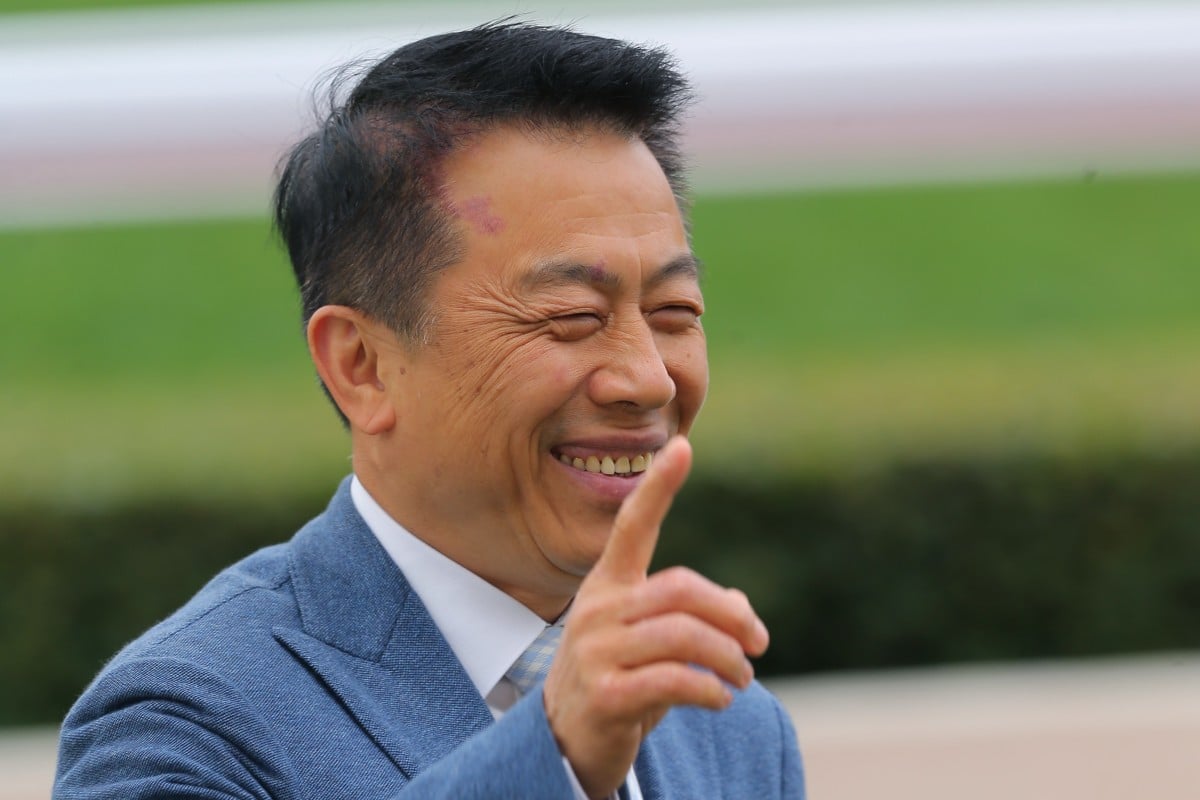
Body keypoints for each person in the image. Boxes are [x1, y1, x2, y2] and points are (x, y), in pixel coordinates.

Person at [54, 21, 805, 799]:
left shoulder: (731, 725)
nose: (647, 380)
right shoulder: (184, 726)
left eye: (674, 312)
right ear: (363, 366)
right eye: (573, 317)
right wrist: (552, 757)